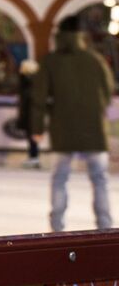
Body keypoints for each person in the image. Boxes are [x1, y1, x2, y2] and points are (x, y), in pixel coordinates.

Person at [35, 13, 115, 231]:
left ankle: (57, 226)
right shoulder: (94, 60)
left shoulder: (50, 61)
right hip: (93, 129)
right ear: (81, 35)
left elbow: (39, 97)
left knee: (60, 177)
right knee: (99, 179)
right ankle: (105, 226)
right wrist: (95, 111)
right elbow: (107, 91)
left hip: (63, 129)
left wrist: (37, 127)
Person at [17, 58, 43, 169]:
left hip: (31, 113)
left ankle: (34, 158)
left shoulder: (28, 83)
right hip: (32, 113)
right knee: (32, 136)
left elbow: (29, 100)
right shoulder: (34, 82)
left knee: (32, 136)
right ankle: (33, 157)